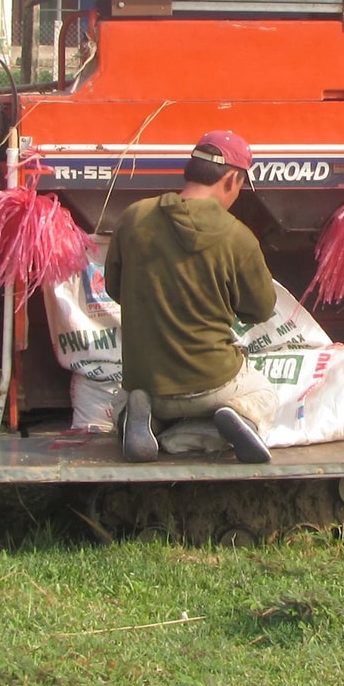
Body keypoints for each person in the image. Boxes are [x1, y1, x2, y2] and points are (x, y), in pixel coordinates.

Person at [104, 130, 279, 463]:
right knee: (264, 393)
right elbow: (261, 309)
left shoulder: (134, 218)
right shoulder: (237, 237)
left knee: (128, 397)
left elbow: (115, 288)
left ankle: (137, 417)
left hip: (148, 383)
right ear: (231, 180)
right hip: (213, 380)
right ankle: (236, 418)